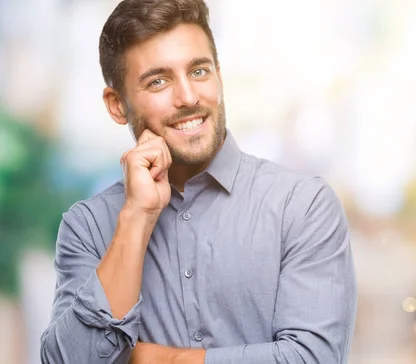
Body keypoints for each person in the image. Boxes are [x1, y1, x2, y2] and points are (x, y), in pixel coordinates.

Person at [39, 0, 358, 363]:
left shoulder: (301, 206)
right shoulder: (88, 228)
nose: (188, 97)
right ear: (117, 105)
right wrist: (136, 219)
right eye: (158, 81)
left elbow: (312, 358)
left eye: (199, 71)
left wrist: (150, 359)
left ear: (219, 76)